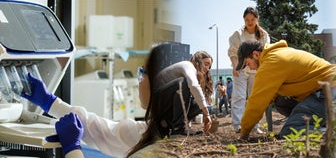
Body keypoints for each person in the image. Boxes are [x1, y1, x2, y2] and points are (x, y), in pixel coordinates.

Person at [20, 43, 213, 157]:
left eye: (142, 72)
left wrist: (73, 150)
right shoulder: (144, 133)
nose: (139, 81)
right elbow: (96, 126)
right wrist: (50, 102)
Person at [235, 40, 336, 139]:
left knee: (290, 131)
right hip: (330, 89)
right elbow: (267, 98)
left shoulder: (271, 62)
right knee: (281, 101)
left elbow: (256, 102)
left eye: (248, 63)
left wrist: (244, 133)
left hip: (329, 92)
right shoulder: (277, 54)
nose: (250, 68)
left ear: (255, 54)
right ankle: (317, 123)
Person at [228, 6, 270, 133]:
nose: (250, 22)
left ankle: (254, 125)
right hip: (241, 68)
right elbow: (233, 52)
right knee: (239, 96)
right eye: (247, 19)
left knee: (254, 96)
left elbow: (265, 52)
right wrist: (236, 66)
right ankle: (238, 125)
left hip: (256, 70)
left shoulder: (263, 35)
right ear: (244, 20)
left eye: (252, 19)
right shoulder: (238, 34)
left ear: (257, 19)